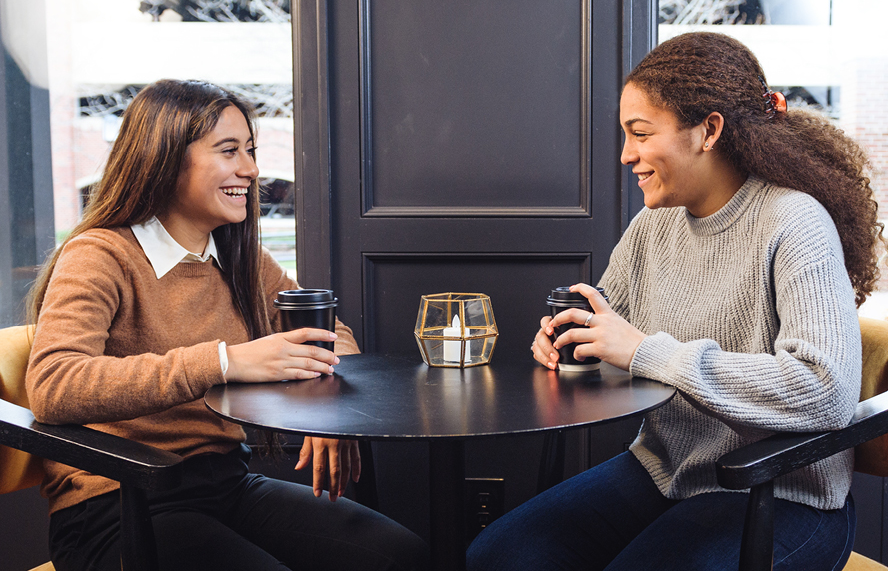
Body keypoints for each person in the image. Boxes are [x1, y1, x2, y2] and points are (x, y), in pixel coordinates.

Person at [467, 32, 884, 571]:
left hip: (777, 494)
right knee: (499, 555)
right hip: (667, 471)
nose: (626, 155)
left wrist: (644, 351)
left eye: (640, 134)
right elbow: (615, 334)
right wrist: (573, 341)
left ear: (708, 130)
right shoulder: (653, 226)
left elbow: (825, 393)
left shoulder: (795, 223)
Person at [25, 79, 428, 571]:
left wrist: (329, 406)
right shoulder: (100, 255)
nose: (252, 170)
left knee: (404, 557)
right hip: (118, 504)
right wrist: (223, 361)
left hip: (226, 484)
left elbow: (330, 334)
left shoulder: (239, 258)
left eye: (251, 150)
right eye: (230, 150)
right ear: (166, 158)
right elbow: (54, 384)